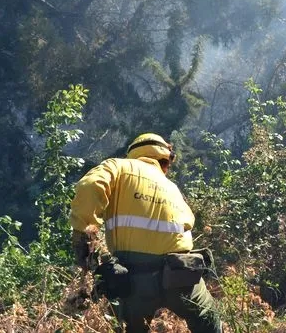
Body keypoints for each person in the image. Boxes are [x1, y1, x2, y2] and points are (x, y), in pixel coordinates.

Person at [70, 133, 222, 333]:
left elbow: (90, 185)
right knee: (209, 319)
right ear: (165, 160)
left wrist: (84, 236)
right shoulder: (172, 187)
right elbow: (188, 221)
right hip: (180, 273)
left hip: (133, 278)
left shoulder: (118, 167)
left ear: (133, 153)